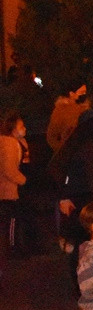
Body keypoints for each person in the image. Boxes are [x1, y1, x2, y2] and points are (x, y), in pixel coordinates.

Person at [0, 112, 27, 282]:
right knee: (10, 222)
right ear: (13, 129)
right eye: (21, 126)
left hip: (8, 189)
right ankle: (11, 249)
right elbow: (9, 169)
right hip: (8, 191)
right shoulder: (9, 144)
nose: (24, 129)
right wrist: (23, 180)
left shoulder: (11, 142)